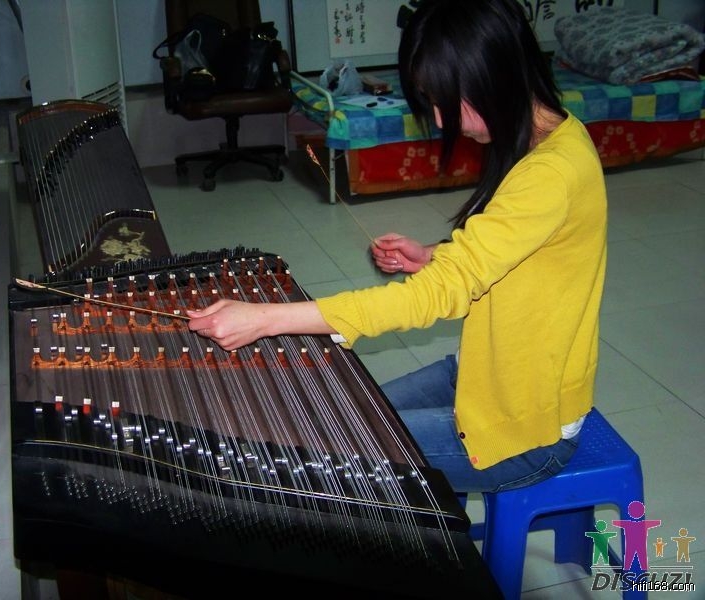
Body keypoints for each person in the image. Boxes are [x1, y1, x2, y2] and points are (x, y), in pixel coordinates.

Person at [187, 0, 607, 494]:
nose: (440, 119)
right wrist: (434, 256)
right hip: (484, 377)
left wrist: (265, 319)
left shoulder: (549, 173)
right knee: (343, 413)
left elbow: (431, 297)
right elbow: (508, 251)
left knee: (327, 450)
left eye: (446, 101)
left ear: (492, 78)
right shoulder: (551, 137)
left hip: (525, 431)